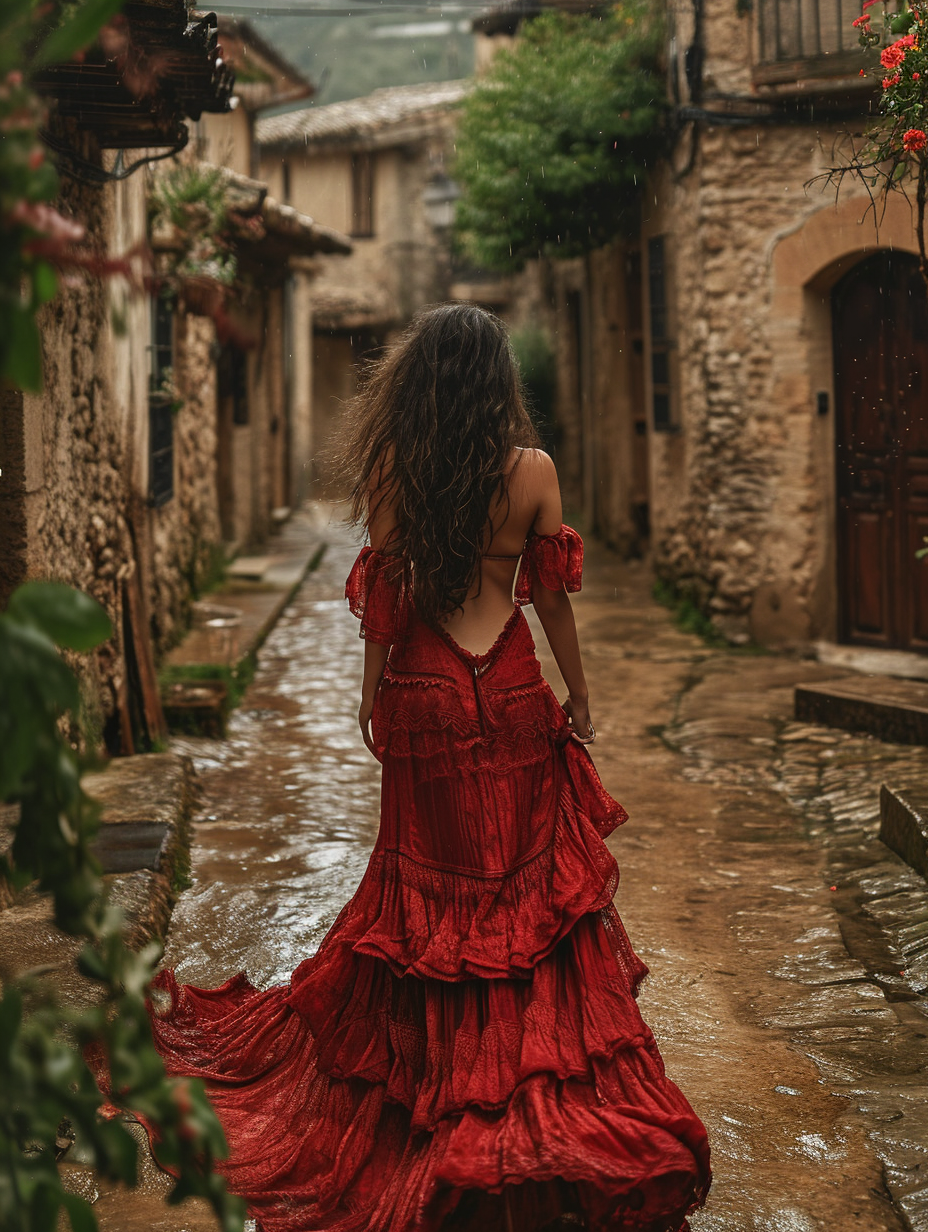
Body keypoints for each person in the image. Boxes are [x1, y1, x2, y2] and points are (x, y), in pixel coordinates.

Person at [143, 304, 711, 1231]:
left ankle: (441, 1086)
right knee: (524, 901)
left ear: (421, 381)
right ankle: (525, 1098)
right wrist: (580, 694)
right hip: (515, 690)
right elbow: (553, 601)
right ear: (499, 382)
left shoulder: (395, 468)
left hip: (428, 694)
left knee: (430, 905)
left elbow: (386, 599)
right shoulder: (533, 472)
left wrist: (371, 696)